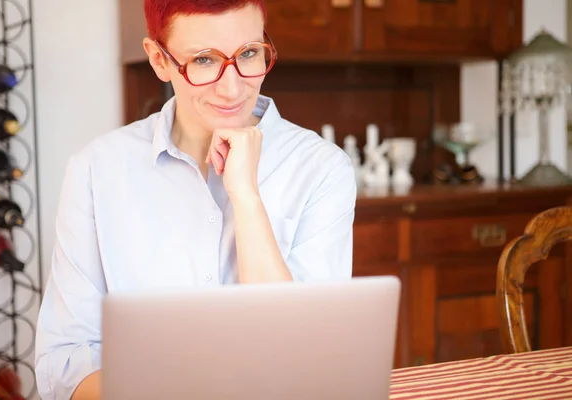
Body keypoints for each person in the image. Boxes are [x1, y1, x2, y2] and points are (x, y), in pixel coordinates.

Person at [34, 0, 357, 399]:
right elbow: (66, 361)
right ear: (158, 59)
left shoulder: (321, 168)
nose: (233, 87)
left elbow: (308, 363)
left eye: (249, 54)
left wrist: (246, 197)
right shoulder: (96, 170)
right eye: (204, 60)